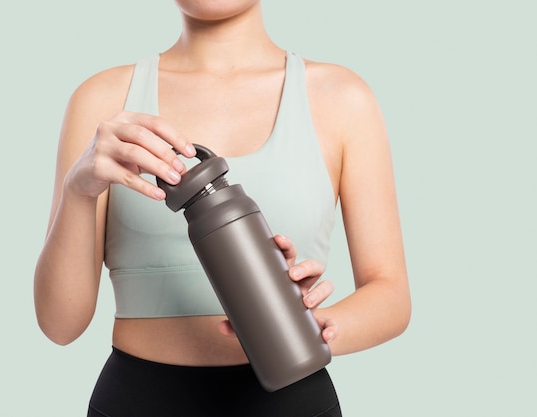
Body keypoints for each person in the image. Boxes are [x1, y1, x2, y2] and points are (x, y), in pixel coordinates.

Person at [34, 1, 411, 416]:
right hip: (136, 401)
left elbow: (390, 294)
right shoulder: (102, 101)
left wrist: (311, 328)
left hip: (291, 401)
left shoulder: (342, 98)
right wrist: (79, 191)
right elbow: (60, 326)